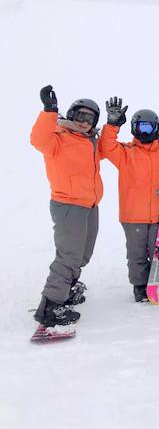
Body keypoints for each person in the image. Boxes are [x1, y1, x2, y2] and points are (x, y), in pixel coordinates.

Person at [30, 85, 106, 327]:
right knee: (69, 256)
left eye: (90, 118)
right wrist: (49, 111)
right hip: (68, 204)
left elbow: (109, 147)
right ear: (71, 115)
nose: (85, 122)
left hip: (90, 205)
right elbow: (37, 139)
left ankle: (67, 289)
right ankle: (51, 306)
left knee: (83, 253)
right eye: (81, 116)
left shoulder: (91, 141)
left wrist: (113, 124)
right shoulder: (57, 137)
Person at [99, 97, 159, 302]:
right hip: (133, 215)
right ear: (133, 128)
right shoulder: (126, 152)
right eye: (141, 127)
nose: (145, 132)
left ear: (156, 128)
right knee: (137, 254)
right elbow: (106, 147)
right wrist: (112, 124)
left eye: (149, 127)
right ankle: (140, 286)